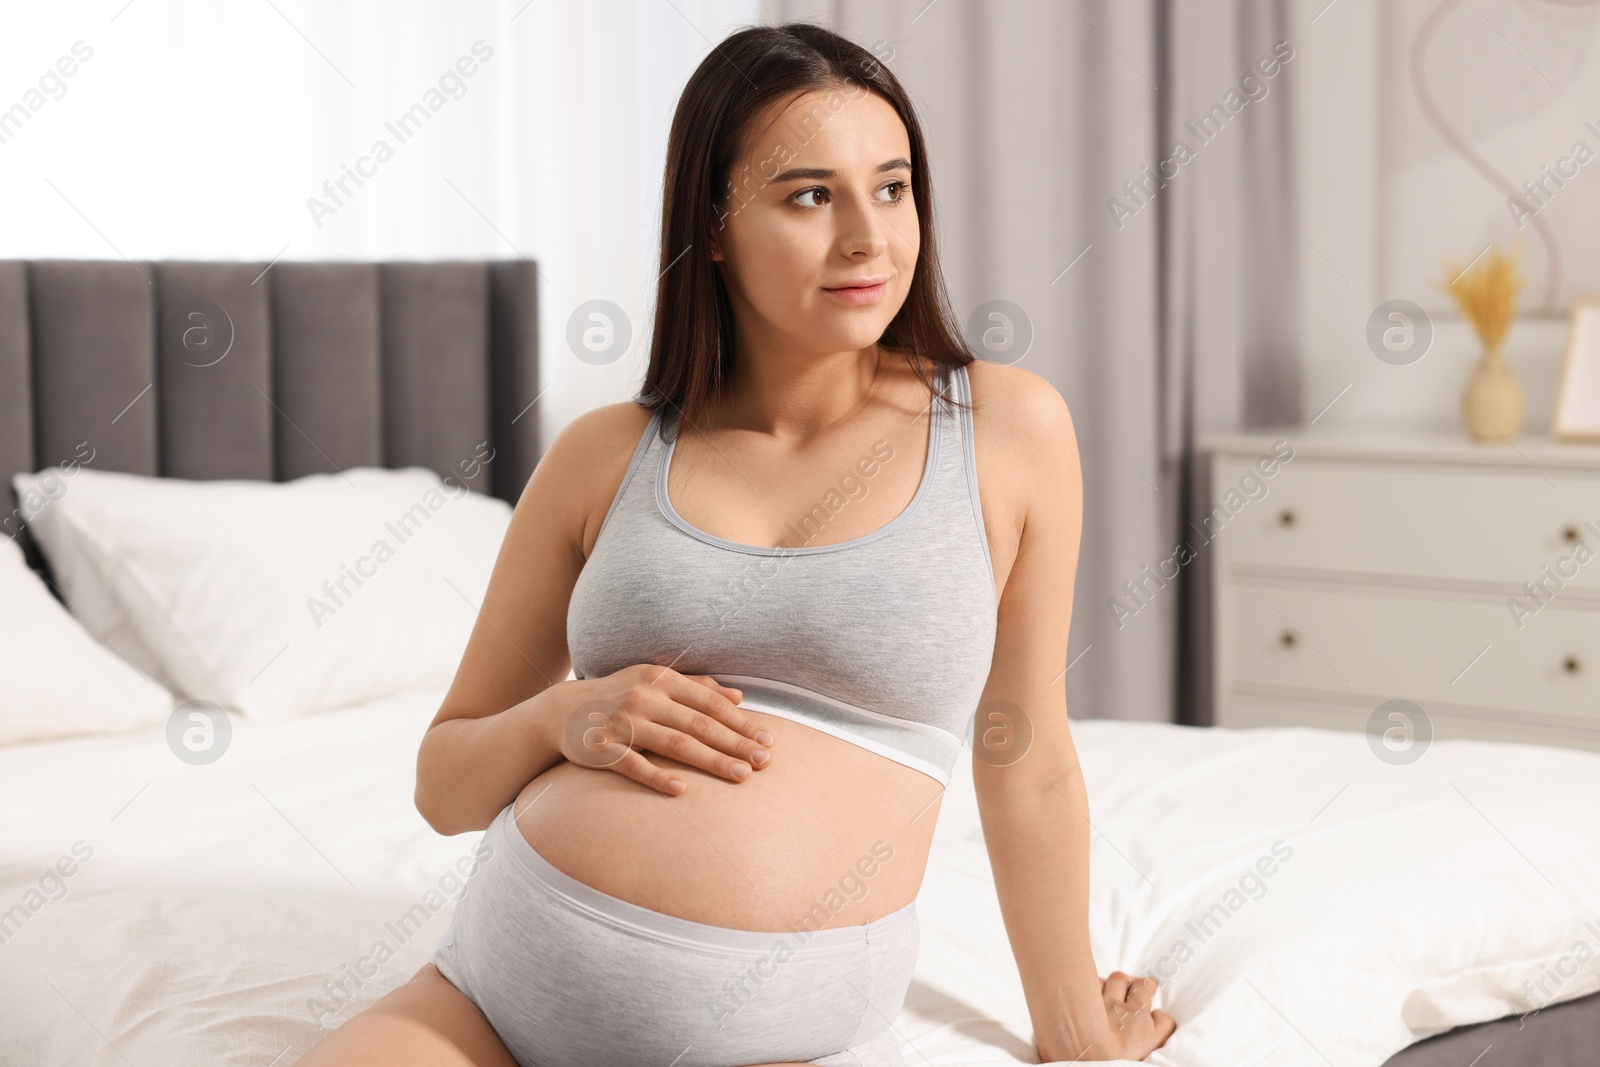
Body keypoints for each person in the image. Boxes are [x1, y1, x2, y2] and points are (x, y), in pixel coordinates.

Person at [298, 21, 1175, 1067]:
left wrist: (1077, 1034)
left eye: (891, 188)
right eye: (810, 195)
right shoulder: (602, 455)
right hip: (488, 994)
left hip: (768, 1024)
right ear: (711, 227)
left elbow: (1023, 752)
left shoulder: (1004, 429)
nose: (868, 237)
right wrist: (564, 712)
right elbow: (444, 785)